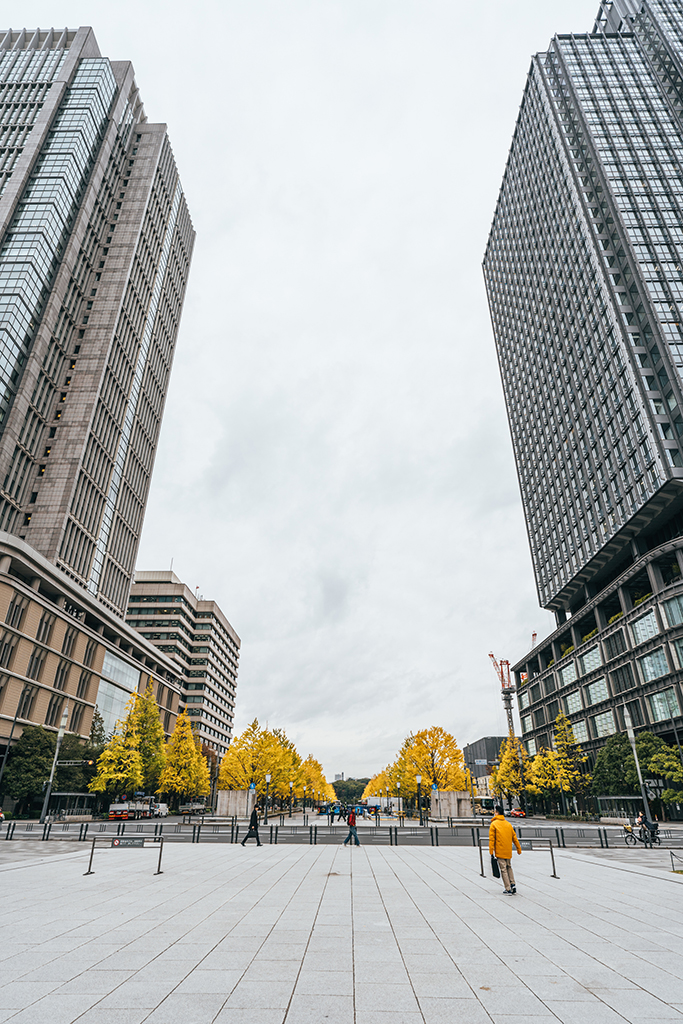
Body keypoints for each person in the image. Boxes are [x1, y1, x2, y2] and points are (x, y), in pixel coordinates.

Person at [489, 805, 521, 894]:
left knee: (503, 869)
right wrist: (518, 848)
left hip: (500, 850)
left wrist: (491, 850)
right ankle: (513, 883)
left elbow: (492, 839)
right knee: (509, 867)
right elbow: (514, 837)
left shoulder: (494, 824)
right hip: (508, 850)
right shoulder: (508, 824)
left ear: (496, 813)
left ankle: (508, 888)